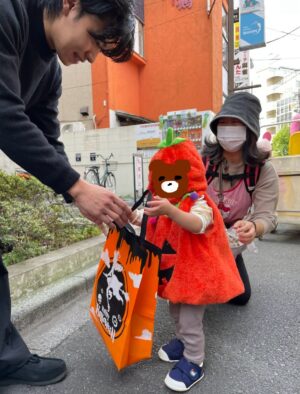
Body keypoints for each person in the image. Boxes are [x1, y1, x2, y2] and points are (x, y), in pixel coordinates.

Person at [0, 0, 134, 387]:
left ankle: (6, 358)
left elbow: (47, 137)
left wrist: (78, 195)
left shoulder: (51, 74)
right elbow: (5, 114)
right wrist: (76, 186)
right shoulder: (7, 14)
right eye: (95, 39)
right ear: (70, 4)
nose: (92, 57)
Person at [131, 128, 244, 392]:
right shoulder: (166, 202)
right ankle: (182, 342)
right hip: (176, 274)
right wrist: (131, 217)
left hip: (197, 276)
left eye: (175, 175)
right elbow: (150, 223)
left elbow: (197, 224)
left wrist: (170, 210)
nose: (168, 182)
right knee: (175, 312)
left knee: (191, 320)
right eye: (162, 177)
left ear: (188, 173)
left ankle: (195, 360)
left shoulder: (199, 201)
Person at [202, 92, 279, 305]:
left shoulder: (262, 171)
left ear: (250, 129)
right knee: (193, 284)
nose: (228, 128)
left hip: (231, 236)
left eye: (235, 123)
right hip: (197, 229)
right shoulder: (204, 161)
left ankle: (225, 262)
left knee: (240, 296)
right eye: (223, 123)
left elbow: (266, 215)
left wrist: (253, 227)